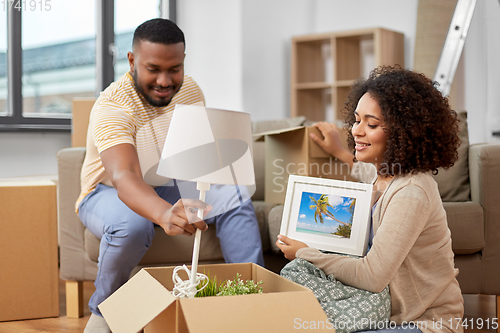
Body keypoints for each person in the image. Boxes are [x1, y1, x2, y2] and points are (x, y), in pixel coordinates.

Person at [77, 18, 264, 332]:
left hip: (166, 184)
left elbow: (193, 155)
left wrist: (209, 186)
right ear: (133, 61)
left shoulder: (190, 91)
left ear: (183, 63)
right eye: (153, 69)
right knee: (133, 224)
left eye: (174, 68)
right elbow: (125, 175)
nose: (165, 80)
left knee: (235, 196)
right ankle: (103, 314)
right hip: (105, 192)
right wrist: (164, 213)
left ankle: (249, 302)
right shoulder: (112, 107)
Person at [276, 65, 464, 333]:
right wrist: (338, 151)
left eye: (371, 124)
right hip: (387, 313)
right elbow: (360, 169)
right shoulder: (382, 174)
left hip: (424, 323)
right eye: (356, 120)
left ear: (403, 132)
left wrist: (305, 252)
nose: (357, 131)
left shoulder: (411, 190)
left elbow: (373, 276)